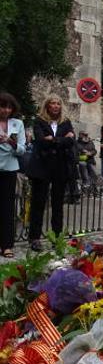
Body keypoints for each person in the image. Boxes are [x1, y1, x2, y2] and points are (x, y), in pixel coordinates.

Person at [29, 94, 76, 250]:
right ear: (47, 106)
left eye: (58, 103)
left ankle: (56, 237)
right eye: (52, 103)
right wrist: (62, 140)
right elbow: (41, 141)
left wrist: (53, 140)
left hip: (60, 167)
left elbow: (71, 141)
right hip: (42, 166)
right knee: (38, 203)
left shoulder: (66, 122)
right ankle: (34, 238)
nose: (55, 106)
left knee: (58, 204)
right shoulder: (39, 121)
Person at [0, 93, 26, 257]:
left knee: (8, 209)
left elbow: (22, 150)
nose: (6, 110)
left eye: (9, 107)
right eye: (3, 107)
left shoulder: (18, 124)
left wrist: (10, 141)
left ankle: (7, 245)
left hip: (10, 169)